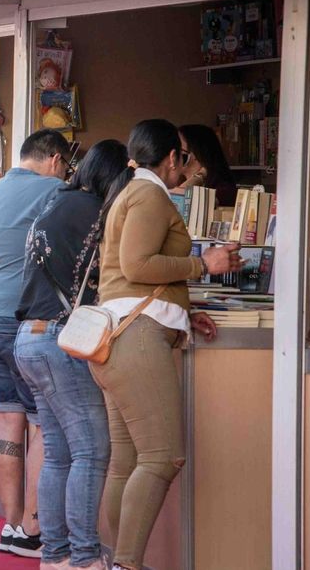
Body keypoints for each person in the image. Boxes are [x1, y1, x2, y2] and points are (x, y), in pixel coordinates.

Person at [93, 119, 241, 570]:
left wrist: (182, 305)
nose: (190, 163)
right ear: (171, 158)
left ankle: (118, 560)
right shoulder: (150, 194)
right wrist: (203, 264)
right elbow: (138, 265)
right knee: (162, 457)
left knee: (128, 460)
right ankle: (125, 563)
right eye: (185, 155)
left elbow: (128, 273)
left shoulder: (133, 192)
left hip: (117, 337)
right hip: (136, 339)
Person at [12, 139, 130, 570]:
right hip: (63, 341)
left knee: (60, 454)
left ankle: (56, 555)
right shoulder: (97, 212)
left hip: (29, 336)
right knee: (92, 452)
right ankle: (83, 558)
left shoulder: (56, 202)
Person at [0, 129, 71, 558]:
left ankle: (11, 525)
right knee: (41, 422)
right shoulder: (54, 190)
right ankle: (33, 527)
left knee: (8, 416)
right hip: (23, 317)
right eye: (65, 164)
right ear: (53, 159)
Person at [173, 124, 236, 206]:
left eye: (178, 147)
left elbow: (178, 201)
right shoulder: (176, 182)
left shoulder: (223, 189)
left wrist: (199, 176)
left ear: (195, 152)